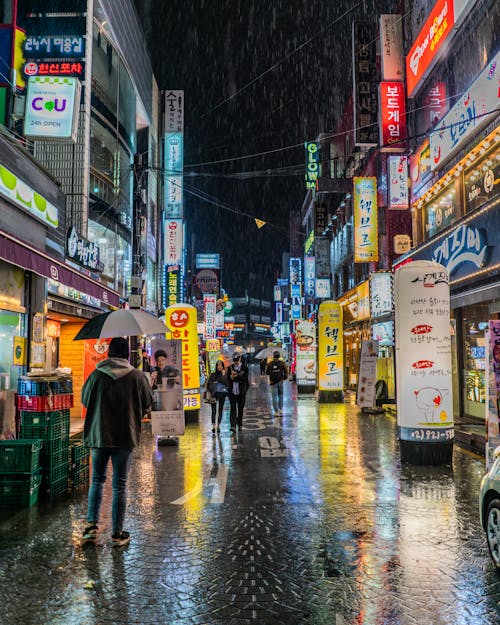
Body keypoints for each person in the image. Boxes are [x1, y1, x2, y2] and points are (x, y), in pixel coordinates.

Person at [81, 337, 153, 547]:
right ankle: (117, 533)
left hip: (99, 435)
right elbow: (148, 402)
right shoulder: (137, 377)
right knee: (119, 485)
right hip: (124, 436)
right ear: (127, 355)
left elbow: (85, 399)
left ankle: (91, 528)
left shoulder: (96, 375)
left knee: (97, 480)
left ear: (108, 353)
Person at [204, 359, 229, 434]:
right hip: (213, 395)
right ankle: (213, 426)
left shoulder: (225, 374)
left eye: (221, 365)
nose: (219, 367)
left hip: (222, 394)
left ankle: (218, 425)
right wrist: (214, 385)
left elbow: (227, 384)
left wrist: (224, 375)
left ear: (223, 366)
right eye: (218, 365)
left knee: (220, 409)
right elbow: (209, 385)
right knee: (214, 410)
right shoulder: (213, 374)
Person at [227, 353, 249, 432]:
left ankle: (239, 424)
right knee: (233, 409)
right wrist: (231, 377)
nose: (236, 362)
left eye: (237, 360)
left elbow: (245, 378)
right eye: (234, 360)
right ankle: (232, 425)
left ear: (240, 359)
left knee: (240, 409)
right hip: (232, 392)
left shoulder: (244, 368)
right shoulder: (230, 368)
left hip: (241, 392)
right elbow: (228, 379)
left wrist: (236, 376)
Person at [266, 351, 288, 415]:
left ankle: (276, 412)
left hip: (273, 383)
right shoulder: (282, 363)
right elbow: (286, 371)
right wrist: (284, 378)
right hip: (280, 382)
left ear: (273, 356)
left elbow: (267, 373)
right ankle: (280, 410)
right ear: (279, 356)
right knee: (280, 395)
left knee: (274, 397)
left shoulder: (270, 364)